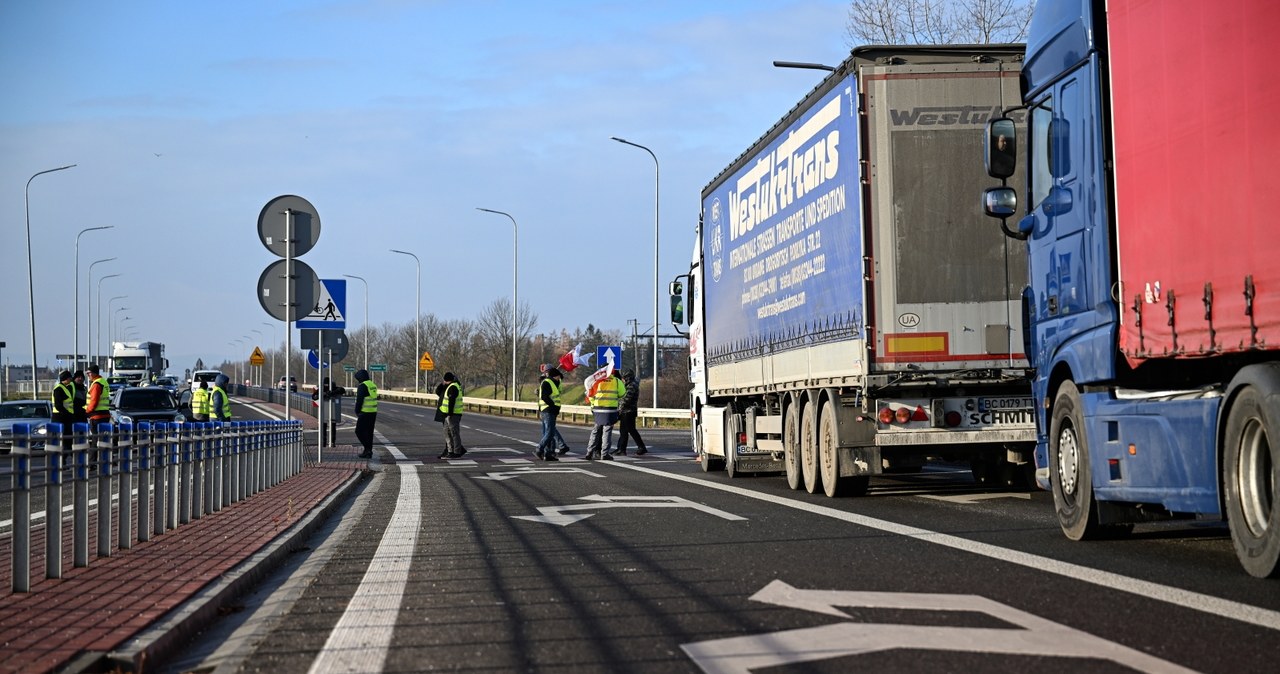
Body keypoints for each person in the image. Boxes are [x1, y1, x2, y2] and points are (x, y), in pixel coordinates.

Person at [585, 369, 625, 460]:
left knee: (595, 431)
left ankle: (589, 452)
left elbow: (591, 394)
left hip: (598, 409)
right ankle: (604, 453)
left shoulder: (597, 381)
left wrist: (593, 405)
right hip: (610, 410)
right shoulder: (617, 381)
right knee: (607, 432)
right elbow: (622, 394)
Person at [613, 369, 648, 456]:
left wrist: (619, 409)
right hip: (627, 411)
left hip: (628, 412)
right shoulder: (630, 385)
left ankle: (640, 447)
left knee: (630, 430)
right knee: (625, 431)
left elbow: (626, 400)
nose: (623, 379)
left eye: (624, 378)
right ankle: (621, 449)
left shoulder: (631, 386)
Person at [536, 367, 568, 461]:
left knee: (549, 432)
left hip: (551, 410)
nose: (559, 379)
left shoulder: (553, 383)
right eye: (558, 377)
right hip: (548, 410)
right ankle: (540, 448)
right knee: (550, 432)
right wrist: (553, 405)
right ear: (555, 376)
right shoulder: (547, 382)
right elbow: (544, 397)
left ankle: (548, 453)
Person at [437, 372, 466, 459]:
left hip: (453, 414)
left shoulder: (453, 387)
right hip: (448, 414)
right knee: (447, 433)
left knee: (454, 433)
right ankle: (450, 451)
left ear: (446, 380)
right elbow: (438, 392)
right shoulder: (452, 386)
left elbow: (451, 402)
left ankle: (456, 452)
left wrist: (449, 413)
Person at [353, 369, 378, 459]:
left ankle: (367, 449)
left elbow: (359, 400)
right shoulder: (372, 384)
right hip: (373, 412)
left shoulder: (363, 386)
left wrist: (357, 411)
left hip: (365, 412)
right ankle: (368, 452)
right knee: (369, 433)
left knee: (359, 431)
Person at [312, 377, 343, 447]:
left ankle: (332, 442)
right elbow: (314, 396)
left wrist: (333, 392)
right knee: (324, 426)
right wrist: (323, 394)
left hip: (332, 411)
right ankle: (324, 442)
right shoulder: (321, 389)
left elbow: (342, 390)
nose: (326, 386)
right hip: (325, 410)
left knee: (332, 426)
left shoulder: (334, 388)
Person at [51, 370, 77, 451]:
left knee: (67, 441)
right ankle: (63, 458)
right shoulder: (59, 389)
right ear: (65, 379)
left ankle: (64, 458)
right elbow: (58, 405)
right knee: (63, 441)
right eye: (69, 378)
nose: (70, 380)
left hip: (65, 418)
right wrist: (67, 414)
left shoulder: (64, 387)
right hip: (60, 418)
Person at [84, 364, 112, 430]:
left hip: (97, 416)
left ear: (94, 373)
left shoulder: (96, 384)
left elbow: (94, 401)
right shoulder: (103, 381)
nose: (88, 375)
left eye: (89, 373)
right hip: (105, 414)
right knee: (103, 438)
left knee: (96, 438)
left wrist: (87, 411)